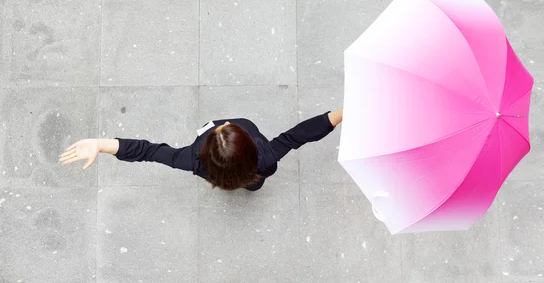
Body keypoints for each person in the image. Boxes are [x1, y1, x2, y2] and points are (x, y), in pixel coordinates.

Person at [59, 108, 343, 191]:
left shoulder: (190, 160)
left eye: (221, 127)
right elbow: (297, 137)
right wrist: (343, 111)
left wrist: (101, 145)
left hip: (226, 177)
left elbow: (148, 150)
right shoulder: (266, 159)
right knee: (254, 186)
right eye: (230, 127)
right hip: (251, 176)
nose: (227, 122)